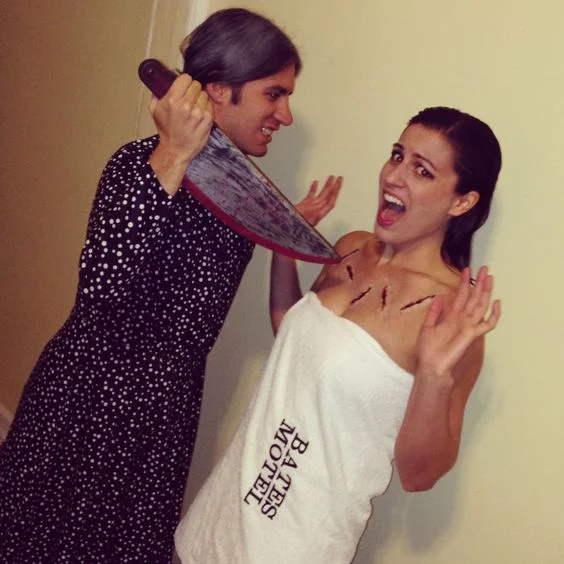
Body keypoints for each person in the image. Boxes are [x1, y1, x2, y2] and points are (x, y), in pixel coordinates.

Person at [0, 8, 334, 564]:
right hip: (91, 402)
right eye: (273, 94)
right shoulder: (139, 165)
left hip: (165, 413)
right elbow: (100, 287)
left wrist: (283, 230)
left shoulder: (237, 194)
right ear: (218, 90)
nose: (285, 114)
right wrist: (174, 152)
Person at [174, 106, 503, 563]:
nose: (394, 175)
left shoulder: (451, 316)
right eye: (397, 155)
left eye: (422, 170)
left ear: (461, 202)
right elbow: (297, 348)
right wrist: (285, 249)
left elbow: (419, 475)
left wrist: (434, 375)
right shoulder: (350, 248)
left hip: (298, 547)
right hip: (221, 517)